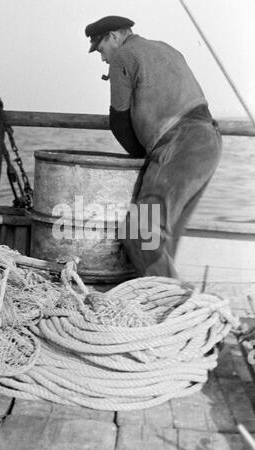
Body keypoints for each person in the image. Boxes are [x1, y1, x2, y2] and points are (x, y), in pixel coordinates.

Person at [85, 15, 222, 278]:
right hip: (209, 142)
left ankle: (167, 305)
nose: (103, 59)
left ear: (113, 36)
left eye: (101, 50)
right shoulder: (165, 48)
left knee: (140, 232)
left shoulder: (124, 57)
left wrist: (141, 158)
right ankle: (174, 302)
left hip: (180, 144)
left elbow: (119, 122)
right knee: (162, 239)